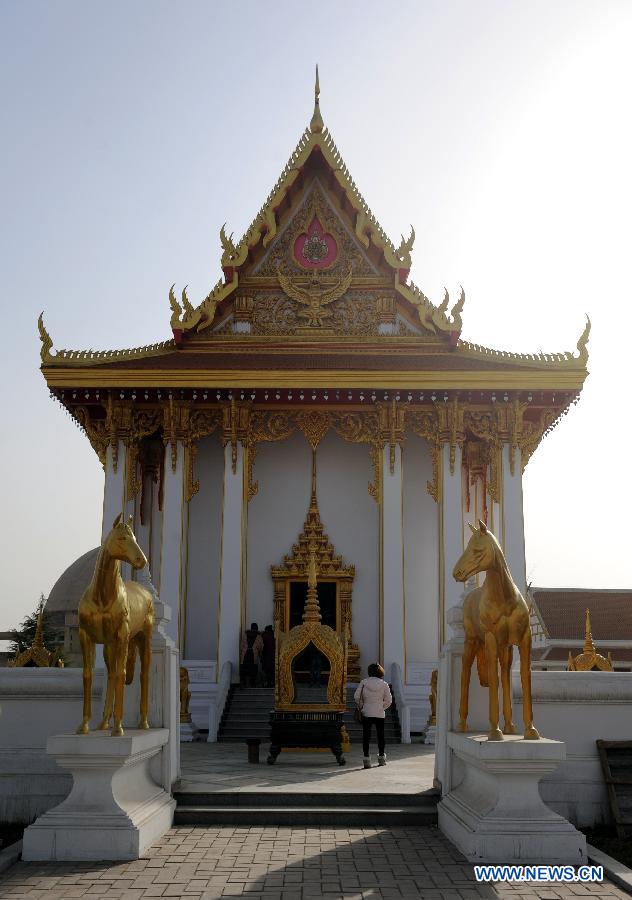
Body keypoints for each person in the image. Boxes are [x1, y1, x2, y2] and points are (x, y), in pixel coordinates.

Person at [354, 662, 392, 768]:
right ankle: (381, 759)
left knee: (366, 736)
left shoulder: (364, 682)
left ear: (369, 671)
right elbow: (389, 700)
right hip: (379, 713)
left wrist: (363, 706)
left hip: (366, 712)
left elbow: (357, 697)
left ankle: (366, 759)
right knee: (381, 736)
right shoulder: (384, 684)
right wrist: (381, 706)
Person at [240, 623, 263, 688]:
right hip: (253, 654)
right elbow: (261, 647)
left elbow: (241, 646)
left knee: (244, 668)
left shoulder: (245, 635)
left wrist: (243, 651)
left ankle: (243, 683)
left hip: (245, 654)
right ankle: (252, 683)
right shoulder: (259, 637)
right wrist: (260, 655)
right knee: (253, 669)